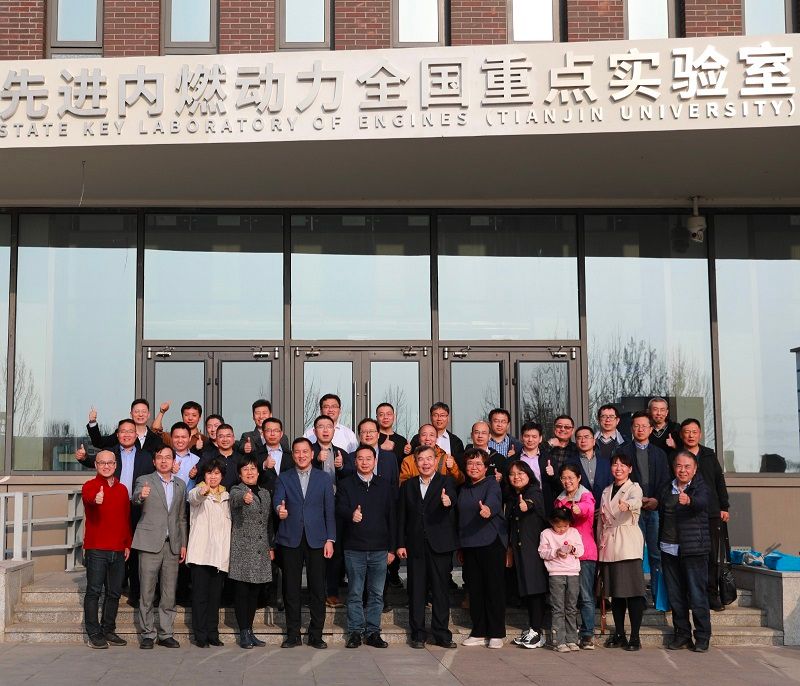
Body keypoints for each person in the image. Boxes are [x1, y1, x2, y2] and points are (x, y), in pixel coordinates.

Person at [76, 418, 155, 609]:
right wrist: (84, 458)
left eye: (130, 431)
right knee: (114, 552)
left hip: (139, 507)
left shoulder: (146, 456)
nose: (127, 434)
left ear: (136, 435)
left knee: (134, 550)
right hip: (113, 505)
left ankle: (134, 593)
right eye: (123, 431)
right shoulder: (111, 454)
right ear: (117, 435)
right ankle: (116, 587)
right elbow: (99, 463)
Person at [274, 438, 336, 649]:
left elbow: (329, 511)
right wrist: (280, 510)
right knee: (291, 588)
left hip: (317, 539)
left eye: (305, 452)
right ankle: (293, 634)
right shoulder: (284, 477)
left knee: (317, 588)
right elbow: (278, 501)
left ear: (312, 454)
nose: (301, 455)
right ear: (293, 455)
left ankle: (316, 634)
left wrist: (330, 539)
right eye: (297, 452)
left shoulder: (323, 478)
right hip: (290, 538)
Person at [396, 445, 459, 649]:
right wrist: (400, 543)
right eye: (421, 459)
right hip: (415, 546)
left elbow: (453, 499)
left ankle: (441, 634)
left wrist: (448, 501)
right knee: (416, 590)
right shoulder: (408, 486)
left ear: (435, 460)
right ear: (415, 462)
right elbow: (401, 516)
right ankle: (418, 634)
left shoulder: (446, 481)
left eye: (429, 459)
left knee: (440, 591)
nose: (425, 463)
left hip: (440, 545)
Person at [336, 444, 396, 649]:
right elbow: (339, 507)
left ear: (375, 461)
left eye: (368, 458)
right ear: (355, 461)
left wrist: (392, 549)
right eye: (360, 458)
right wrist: (350, 514)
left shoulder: (385, 485)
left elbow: (392, 518)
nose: (364, 462)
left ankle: (373, 632)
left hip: (380, 549)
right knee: (355, 593)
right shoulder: (346, 484)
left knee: (376, 594)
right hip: (354, 548)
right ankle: (355, 632)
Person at [132, 446, 187, 649]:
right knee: (147, 592)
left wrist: (183, 544)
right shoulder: (144, 480)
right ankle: (147, 634)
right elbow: (135, 498)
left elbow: (181, 517)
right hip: (149, 543)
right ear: (154, 461)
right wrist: (141, 495)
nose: (164, 461)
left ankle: (166, 634)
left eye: (168, 457)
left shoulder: (180, 484)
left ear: (173, 461)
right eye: (160, 457)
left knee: (169, 593)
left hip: (172, 545)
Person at [659, 450, 712, 653]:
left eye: (687, 466)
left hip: (693, 550)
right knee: (675, 595)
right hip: (669, 548)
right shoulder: (667, 487)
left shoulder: (700, 487)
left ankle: (702, 637)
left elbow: (703, 502)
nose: (683, 470)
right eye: (679, 466)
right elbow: (662, 509)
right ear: (674, 468)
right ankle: (682, 635)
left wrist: (689, 501)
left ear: (695, 469)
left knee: (697, 595)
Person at [457, 447, 508, 649]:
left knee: (493, 589)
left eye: (479, 464)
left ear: (486, 467)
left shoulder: (491, 484)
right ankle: (478, 631)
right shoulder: (463, 488)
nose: (474, 467)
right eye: (470, 463)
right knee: (475, 590)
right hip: (469, 544)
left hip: (491, 542)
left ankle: (496, 632)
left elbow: (494, 501)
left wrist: (488, 510)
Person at [81, 449, 131, 649]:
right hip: (96, 549)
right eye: (102, 462)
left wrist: (127, 543)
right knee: (94, 591)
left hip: (118, 549)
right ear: (96, 465)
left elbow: (125, 518)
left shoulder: (122, 489)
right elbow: (88, 498)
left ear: (116, 465)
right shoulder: (90, 486)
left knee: (114, 593)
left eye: (110, 462)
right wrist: (96, 499)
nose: (106, 466)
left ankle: (108, 629)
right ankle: (94, 633)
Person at [679, 418, 730, 612]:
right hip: (687, 513)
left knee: (712, 555)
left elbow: (719, 481)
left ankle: (712, 595)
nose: (690, 435)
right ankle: (691, 595)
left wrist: (724, 506)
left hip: (711, 512)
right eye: (687, 431)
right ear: (681, 434)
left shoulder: (709, 454)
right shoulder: (677, 456)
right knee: (689, 556)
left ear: (700, 434)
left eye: (694, 431)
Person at [598, 452, 646, 651]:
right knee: (616, 593)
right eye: (615, 464)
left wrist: (628, 505)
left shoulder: (634, 488)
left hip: (627, 544)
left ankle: (635, 636)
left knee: (633, 593)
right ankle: (619, 633)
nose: (618, 468)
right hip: (608, 544)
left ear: (630, 469)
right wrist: (598, 545)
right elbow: (601, 521)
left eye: (623, 465)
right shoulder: (606, 490)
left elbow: (637, 501)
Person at [619, 411, 670, 589]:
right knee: (635, 554)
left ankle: (657, 596)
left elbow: (665, 481)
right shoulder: (623, 452)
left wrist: (656, 500)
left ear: (650, 429)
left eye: (644, 426)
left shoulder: (659, 453)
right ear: (631, 429)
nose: (640, 429)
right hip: (632, 511)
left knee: (656, 554)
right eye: (636, 426)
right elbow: (619, 480)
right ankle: (637, 594)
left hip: (654, 509)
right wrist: (636, 500)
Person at [229, 456, 274, 649]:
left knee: (254, 593)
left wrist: (270, 546)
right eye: (245, 469)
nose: (250, 472)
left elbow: (268, 522)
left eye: (253, 468)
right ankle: (243, 632)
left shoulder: (265, 493)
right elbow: (235, 499)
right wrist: (244, 498)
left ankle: (250, 630)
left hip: (260, 549)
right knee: (242, 592)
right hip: (242, 549)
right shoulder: (236, 490)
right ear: (240, 474)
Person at [186, 458, 230, 648]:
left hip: (219, 556)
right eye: (209, 473)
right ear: (204, 475)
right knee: (200, 597)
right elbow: (194, 497)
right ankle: (200, 635)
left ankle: (213, 633)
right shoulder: (197, 492)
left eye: (217, 473)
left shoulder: (226, 496)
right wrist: (202, 491)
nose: (213, 477)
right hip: (201, 555)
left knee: (214, 598)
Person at [504, 460, 548, 650]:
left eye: (520, 473)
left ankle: (537, 631)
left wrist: (526, 505)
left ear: (529, 474)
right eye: (512, 474)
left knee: (535, 590)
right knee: (529, 591)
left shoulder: (534, 492)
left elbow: (533, 502)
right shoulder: (512, 496)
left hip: (534, 550)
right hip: (520, 550)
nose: (516, 477)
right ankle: (532, 628)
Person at [554, 463, 598, 649]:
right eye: (564, 478)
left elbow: (587, 509)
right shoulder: (559, 500)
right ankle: (568, 634)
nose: (567, 481)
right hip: (564, 556)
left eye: (571, 477)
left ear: (579, 478)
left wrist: (578, 509)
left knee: (585, 595)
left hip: (584, 553)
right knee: (567, 598)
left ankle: (587, 634)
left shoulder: (586, 496)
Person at [309, 414, 348, 608]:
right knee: (314, 552)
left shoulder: (341, 453)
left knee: (335, 551)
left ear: (334, 430)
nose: (325, 430)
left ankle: (332, 592)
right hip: (313, 508)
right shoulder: (308, 451)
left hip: (336, 508)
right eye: (321, 426)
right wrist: (316, 461)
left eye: (329, 427)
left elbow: (350, 479)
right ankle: (315, 593)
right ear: (314, 430)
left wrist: (341, 468)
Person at [538, 507, 584, 652]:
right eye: (558, 526)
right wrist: (556, 551)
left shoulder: (574, 532)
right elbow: (542, 552)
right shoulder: (546, 533)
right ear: (552, 523)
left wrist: (572, 549)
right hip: (556, 573)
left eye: (565, 526)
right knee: (558, 608)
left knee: (571, 607)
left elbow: (581, 550)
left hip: (573, 573)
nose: (562, 529)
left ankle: (572, 639)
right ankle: (559, 641)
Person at [86, 399, 164, 454]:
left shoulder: (156, 440)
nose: (140, 414)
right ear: (131, 414)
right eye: (137, 411)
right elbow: (99, 443)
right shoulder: (121, 434)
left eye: (144, 411)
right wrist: (93, 422)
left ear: (148, 414)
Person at [518, 421, 559, 516]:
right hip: (520, 503)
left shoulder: (549, 459)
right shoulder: (514, 459)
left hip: (543, 504)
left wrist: (552, 475)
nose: (530, 440)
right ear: (521, 437)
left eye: (534, 436)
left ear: (540, 439)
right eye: (527, 436)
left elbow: (558, 486)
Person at [569, 426, 612, 512]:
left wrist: (604, 508)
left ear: (594, 441)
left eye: (586, 437)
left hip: (604, 510)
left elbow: (611, 485)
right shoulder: (569, 463)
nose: (583, 440)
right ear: (576, 442)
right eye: (579, 438)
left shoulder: (606, 462)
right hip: (580, 511)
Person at [199, 423, 243, 490]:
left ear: (233, 438)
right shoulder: (207, 457)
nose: (225, 439)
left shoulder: (241, 458)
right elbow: (199, 479)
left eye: (228, 436)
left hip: (237, 495)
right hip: (212, 495)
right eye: (221, 436)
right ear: (216, 439)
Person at [258, 417, 294, 493]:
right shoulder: (255, 454)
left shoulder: (290, 455)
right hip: (264, 498)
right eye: (268, 430)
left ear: (281, 434)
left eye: (276, 431)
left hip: (287, 497)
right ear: (263, 434)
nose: (272, 434)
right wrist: (264, 465)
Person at [170, 422, 200, 495]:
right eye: (176, 437)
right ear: (171, 438)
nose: (180, 440)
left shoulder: (197, 460)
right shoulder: (165, 459)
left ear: (189, 438)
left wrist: (194, 476)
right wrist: (169, 471)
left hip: (190, 500)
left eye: (183, 437)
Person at [376, 402, 408, 467]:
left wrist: (408, 452)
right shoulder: (371, 438)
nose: (385, 417)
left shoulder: (402, 440)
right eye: (381, 415)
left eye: (389, 414)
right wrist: (380, 448)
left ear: (394, 416)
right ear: (377, 417)